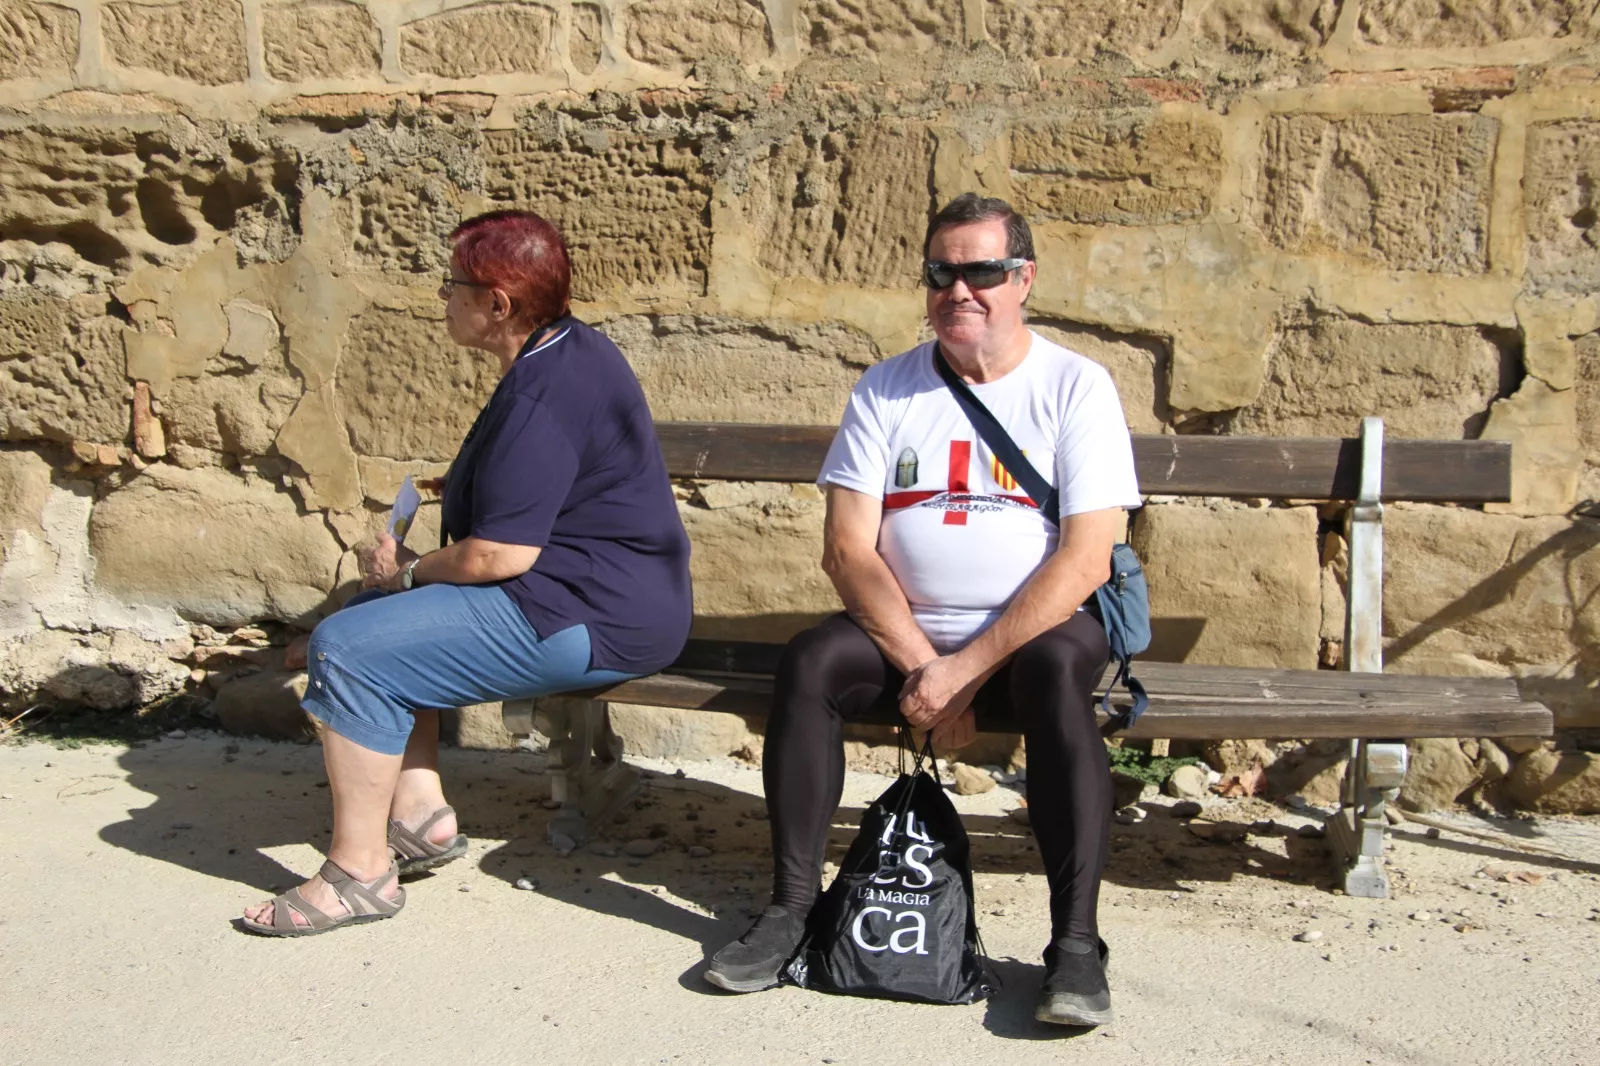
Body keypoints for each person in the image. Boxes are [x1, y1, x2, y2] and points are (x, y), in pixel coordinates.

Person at [705, 194, 1142, 1026]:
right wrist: (924, 671)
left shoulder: (1074, 386)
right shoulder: (887, 389)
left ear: (1024, 280)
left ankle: (1076, 948)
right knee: (810, 661)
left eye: (982, 270)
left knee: (1057, 673)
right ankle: (790, 912)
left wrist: (964, 674)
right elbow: (848, 550)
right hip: (914, 641)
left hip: (1030, 640)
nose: (960, 290)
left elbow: (1086, 557)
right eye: (943, 272)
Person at [242, 210, 692, 936]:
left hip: (594, 615)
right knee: (388, 633)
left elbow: (498, 558)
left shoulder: (546, 388)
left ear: (498, 304)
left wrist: (408, 570)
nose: (442, 299)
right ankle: (421, 818)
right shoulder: (568, 349)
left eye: (453, 286)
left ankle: (360, 874)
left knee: (349, 647)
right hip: (607, 597)